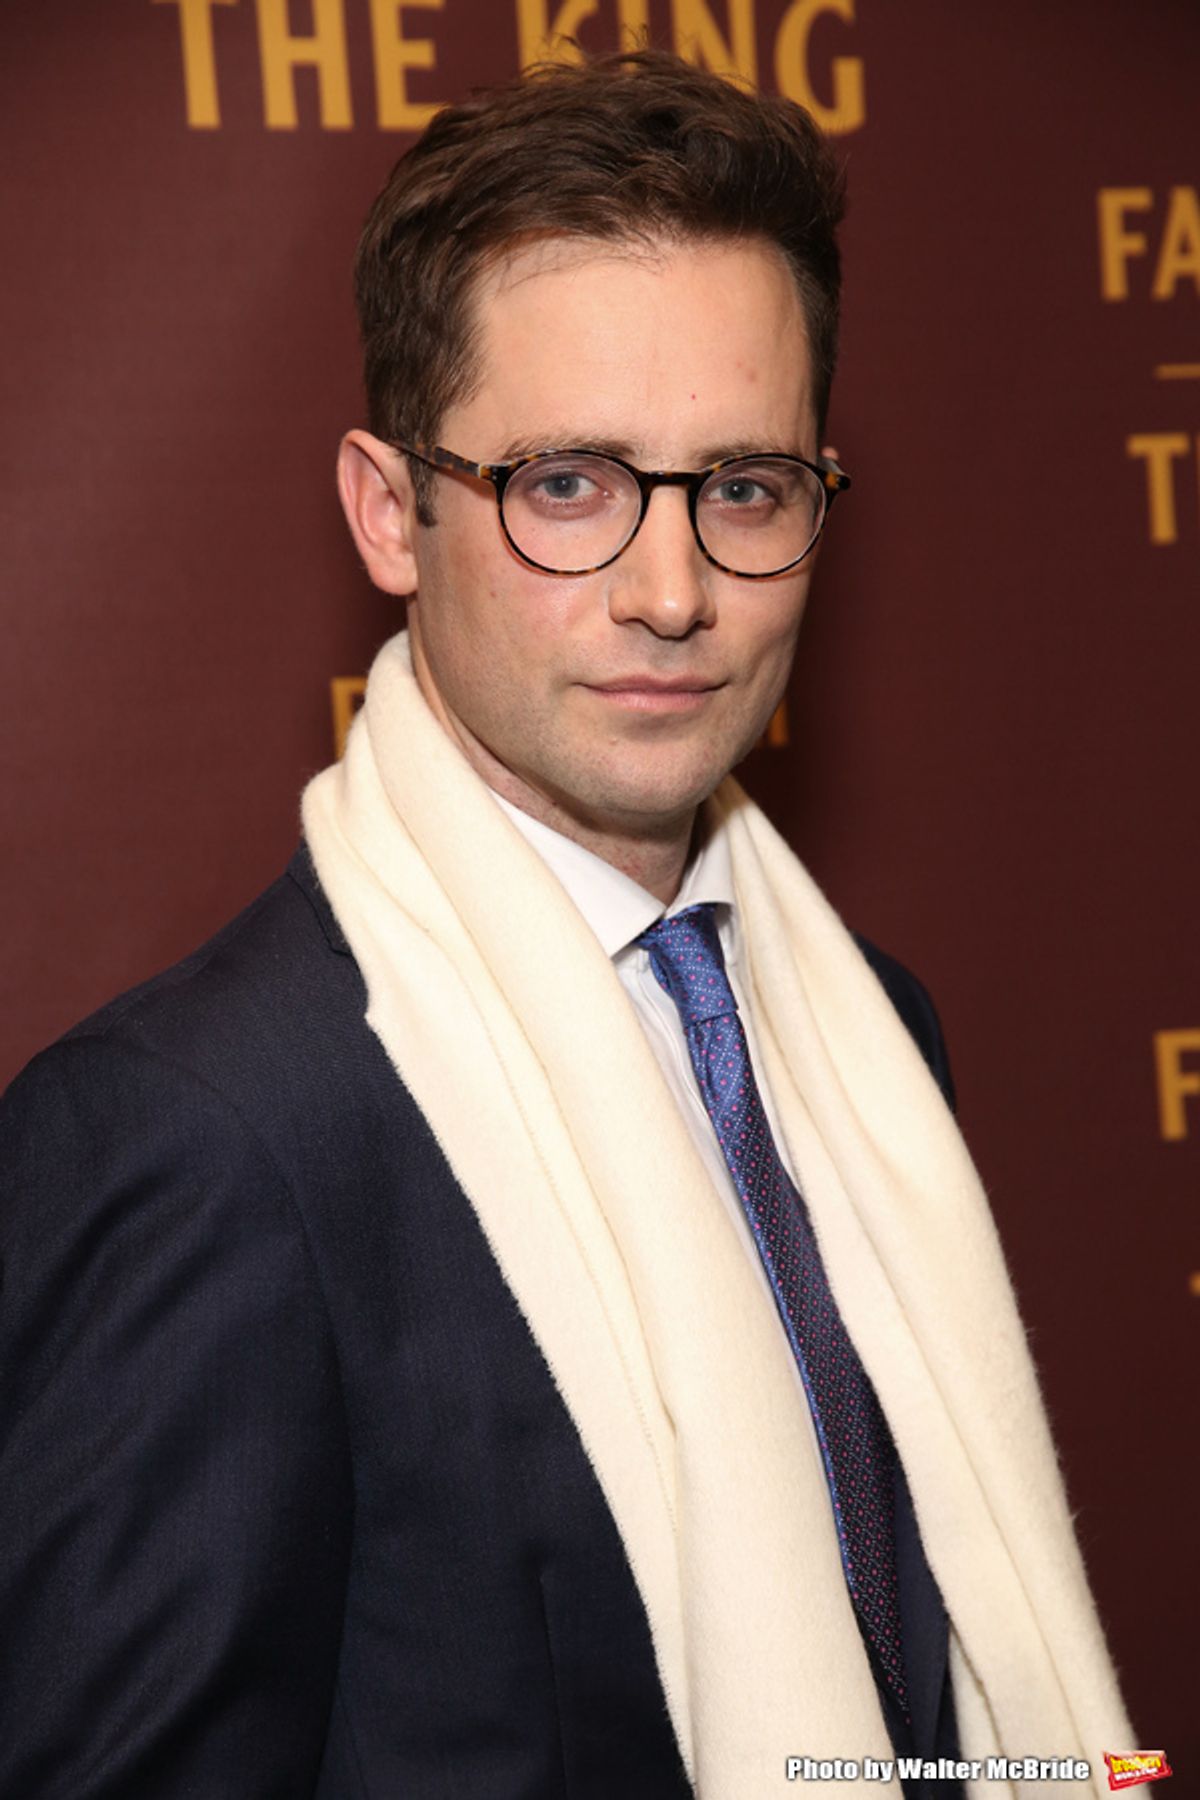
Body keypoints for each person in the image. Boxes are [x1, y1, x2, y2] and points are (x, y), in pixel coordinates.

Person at [0, 49, 1129, 1800]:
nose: (672, 594)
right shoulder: (202, 1136)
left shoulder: (867, 1038)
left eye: (743, 488)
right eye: (572, 485)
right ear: (394, 513)